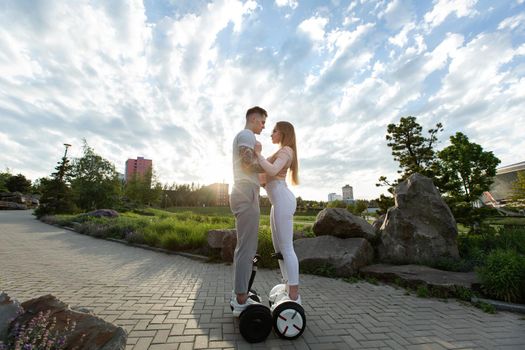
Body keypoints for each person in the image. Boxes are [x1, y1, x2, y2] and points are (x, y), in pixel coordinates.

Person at [255, 121, 301, 303]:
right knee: (279, 249)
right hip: (277, 203)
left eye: (274, 131)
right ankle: (287, 284)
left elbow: (272, 169)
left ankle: (294, 294)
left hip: (283, 199)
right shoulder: (280, 152)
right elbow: (264, 176)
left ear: (283, 133)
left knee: (287, 248)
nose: (271, 134)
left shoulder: (286, 151)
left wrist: (258, 154)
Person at [229, 106, 267, 316]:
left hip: (245, 190)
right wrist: (271, 163)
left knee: (244, 247)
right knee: (247, 248)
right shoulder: (246, 135)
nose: (263, 126)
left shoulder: (247, 136)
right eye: (262, 122)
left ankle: (240, 292)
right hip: (245, 191)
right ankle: (242, 298)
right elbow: (247, 162)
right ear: (253, 119)